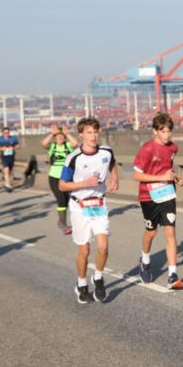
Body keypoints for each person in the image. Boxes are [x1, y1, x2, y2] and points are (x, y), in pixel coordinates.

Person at [58, 117, 119, 304]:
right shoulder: (73, 158)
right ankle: (82, 283)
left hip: (98, 204)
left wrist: (115, 177)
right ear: (81, 135)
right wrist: (86, 183)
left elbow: (112, 163)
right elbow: (62, 186)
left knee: (103, 246)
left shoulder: (106, 151)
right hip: (79, 205)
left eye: (95, 132)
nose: (93, 136)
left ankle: (98, 278)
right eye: (89, 133)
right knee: (84, 250)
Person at [132, 113, 183, 289]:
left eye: (169, 131)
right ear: (155, 131)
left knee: (170, 233)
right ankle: (145, 260)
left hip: (167, 194)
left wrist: (176, 178)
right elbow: (136, 174)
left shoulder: (173, 148)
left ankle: (172, 275)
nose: (167, 135)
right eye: (163, 132)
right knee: (151, 232)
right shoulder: (147, 149)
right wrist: (159, 176)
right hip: (148, 196)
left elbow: (168, 169)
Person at [41, 126, 78, 234]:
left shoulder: (67, 146)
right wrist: (52, 134)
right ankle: (63, 224)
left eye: (61, 136)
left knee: (67, 201)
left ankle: (61, 221)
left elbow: (75, 143)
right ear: (55, 138)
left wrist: (67, 134)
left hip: (67, 177)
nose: (60, 138)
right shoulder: (52, 147)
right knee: (61, 200)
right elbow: (44, 143)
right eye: (58, 137)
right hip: (54, 177)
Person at [0, 126, 19, 192]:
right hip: (4, 156)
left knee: (10, 171)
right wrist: (1, 148)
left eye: (8, 133)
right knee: (6, 169)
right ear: (2, 133)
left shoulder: (13, 139)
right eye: (5, 133)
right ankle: (7, 184)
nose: (6, 134)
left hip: (11, 156)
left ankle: (7, 183)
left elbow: (18, 146)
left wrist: (13, 148)